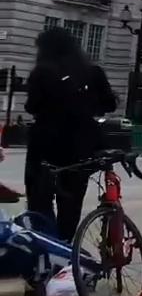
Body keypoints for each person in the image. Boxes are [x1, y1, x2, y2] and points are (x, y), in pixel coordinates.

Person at [24, 27, 117, 240]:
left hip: (45, 144)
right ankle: (66, 244)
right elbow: (108, 104)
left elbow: (32, 106)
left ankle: (45, 244)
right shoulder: (92, 72)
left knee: (40, 201)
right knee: (71, 203)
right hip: (79, 145)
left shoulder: (42, 72)